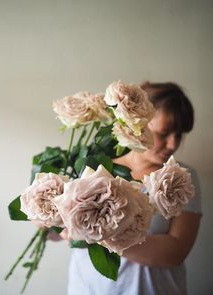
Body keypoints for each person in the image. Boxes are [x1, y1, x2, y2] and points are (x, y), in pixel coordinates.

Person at [64, 81, 202, 295]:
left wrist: (96, 236)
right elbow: (60, 233)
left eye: (180, 134)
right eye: (164, 133)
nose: (173, 144)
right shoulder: (93, 168)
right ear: (134, 124)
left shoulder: (182, 179)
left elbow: (175, 252)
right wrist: (48, 221)